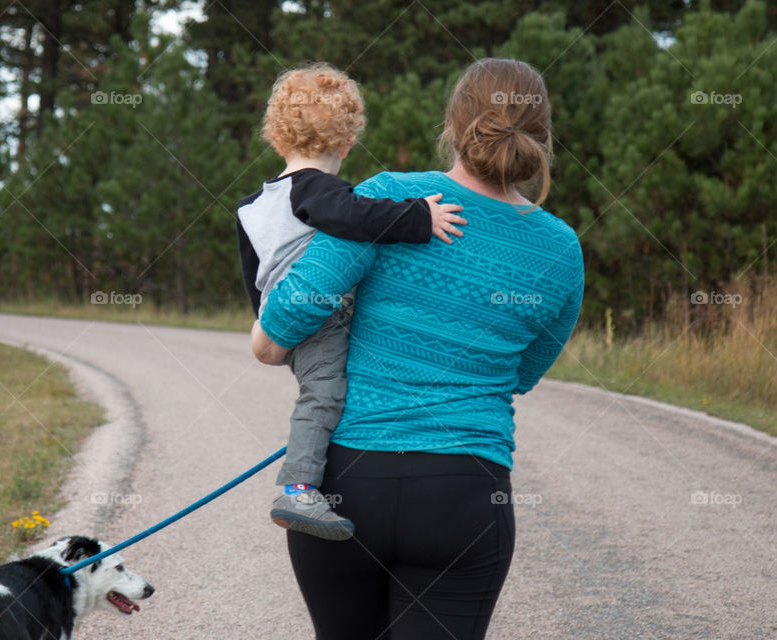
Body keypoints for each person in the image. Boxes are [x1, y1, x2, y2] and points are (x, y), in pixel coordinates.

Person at [251, 58, 584, 639]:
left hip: (346, 483)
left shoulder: (389, 199)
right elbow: (523, 372)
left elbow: (287, 318)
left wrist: (270, 339)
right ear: (542, 136)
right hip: (464, 493)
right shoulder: (559, 249)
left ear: (453, 127)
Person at [237, 63, 466, 541]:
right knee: (323, 396)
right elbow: (356, 217)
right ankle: (297, 489)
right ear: (345, 144)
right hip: (320, 321)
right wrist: (419, 217)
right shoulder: (321, 191)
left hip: (287, 325)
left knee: (330, 389)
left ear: (278, 139)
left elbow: (252, 277)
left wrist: (269, 329)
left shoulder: (254, 205)